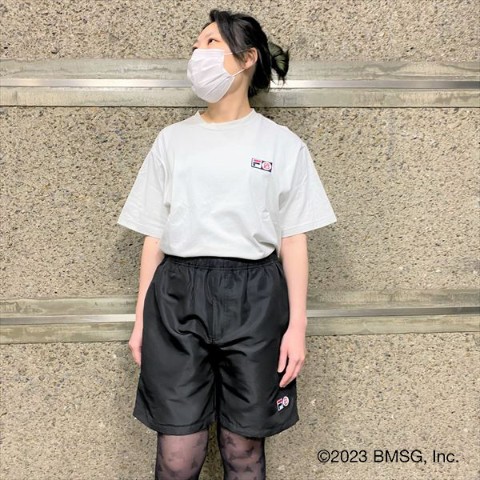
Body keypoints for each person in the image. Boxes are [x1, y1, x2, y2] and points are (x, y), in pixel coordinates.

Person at [117, 8, 337, 480]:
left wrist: (297, 326)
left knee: (243, 449)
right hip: (177, 296)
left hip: (255, 297)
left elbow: (293, 239)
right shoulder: (172, 141)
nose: (199, 53)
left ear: (247, 57)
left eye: (211, 43)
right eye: (196, 45)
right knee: (177, 454)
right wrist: (141, 321)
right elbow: (154, 235)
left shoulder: (282, 145)